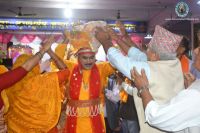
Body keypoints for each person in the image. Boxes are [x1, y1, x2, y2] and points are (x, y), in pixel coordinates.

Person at [95, 25, 185, 133]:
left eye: (149, 50)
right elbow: (137, 55)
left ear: (155, 56)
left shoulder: (149, 69)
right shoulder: (174, 63)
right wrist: (117, 39)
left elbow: (119, 61)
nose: (146, 52)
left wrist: (105, 41)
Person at [1, 37, 70, 132]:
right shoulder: (40, 82)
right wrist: (49, 51)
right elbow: (65, 72)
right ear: (35, 67)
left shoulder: (8, 88)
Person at [130, 49, 200, 132]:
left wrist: (143, 88)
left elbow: (155, 116)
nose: (195, 50)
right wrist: (191, 88)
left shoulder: (195, 95)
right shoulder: (195, 91)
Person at [57, 47, 115, 133]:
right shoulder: (71, 67)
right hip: (75, 119)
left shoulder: (101, 68)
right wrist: (65, 40)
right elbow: (57, 59)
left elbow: (116, 63)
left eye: (91, 57)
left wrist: (104, 42)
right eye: (85, 58)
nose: (89, 61)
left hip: (95, 118)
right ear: (78, 58)